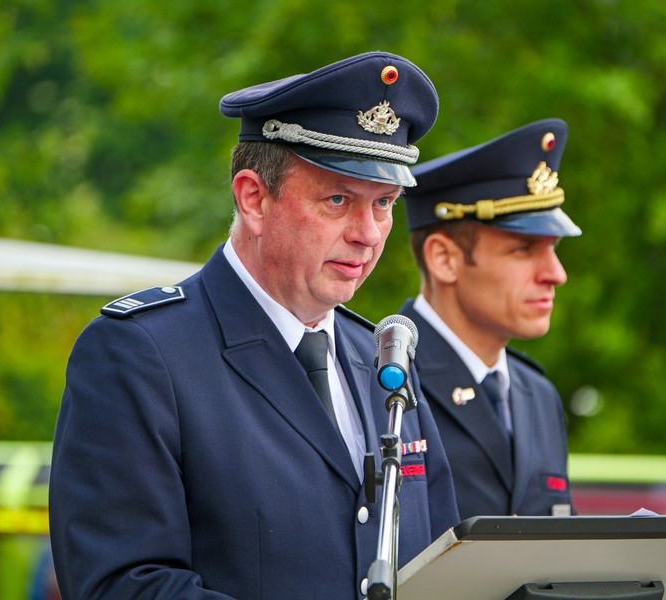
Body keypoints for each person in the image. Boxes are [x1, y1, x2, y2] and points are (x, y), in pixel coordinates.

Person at [49, 52, 459, 600]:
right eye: (338, 200)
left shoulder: (382, 358)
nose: (368, 234)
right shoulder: (141, 353)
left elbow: (442, 564)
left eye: (383, 203)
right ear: (254, 199)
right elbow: (124, 584)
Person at [399, 119, 580, 520]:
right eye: (524, 249)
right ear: (444, 259)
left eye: (553, 249)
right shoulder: (380, 378)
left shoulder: (538, 395)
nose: (556, 273)